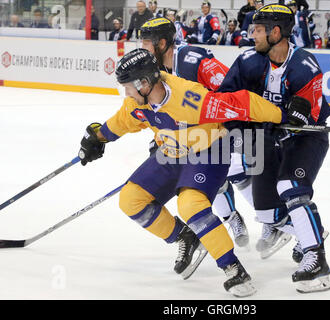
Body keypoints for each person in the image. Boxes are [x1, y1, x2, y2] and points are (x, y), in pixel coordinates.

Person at [77, 48, 306, 297]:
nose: (127, 93)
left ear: (143, 83)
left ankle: (233, 268)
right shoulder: (137, 102)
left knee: (191, 205)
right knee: (131, 199)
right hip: (173, 151)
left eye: (128, 87)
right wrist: (97, 138)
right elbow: (124, 120)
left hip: (209, 150)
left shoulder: (191, 98)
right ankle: (185, 237)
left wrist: (283, 116)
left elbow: (242, 103)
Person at [218, 3, 330, 293]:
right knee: (267, 213)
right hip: (264, 139)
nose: (251, 35)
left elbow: (304, 118)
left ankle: (316, 260)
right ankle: (311, 230)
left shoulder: (305, 66)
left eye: (257, 30)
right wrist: (237, 127)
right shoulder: (247, 61)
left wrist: (292, 117)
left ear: (277, 32)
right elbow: (225, 100)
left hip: (305, 138)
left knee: (290, 186)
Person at [139, 18, 251, 247]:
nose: (142, 49)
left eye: (146, 43)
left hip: (223, 130)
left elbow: (231, 87)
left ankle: (272, 219)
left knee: (240, 171)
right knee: (209, 182)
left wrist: (236, 123)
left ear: (161, 43)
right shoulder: (155, 71)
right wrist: (158, 138)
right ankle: (232, 217)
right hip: (194, 137)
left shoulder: (193, 60)